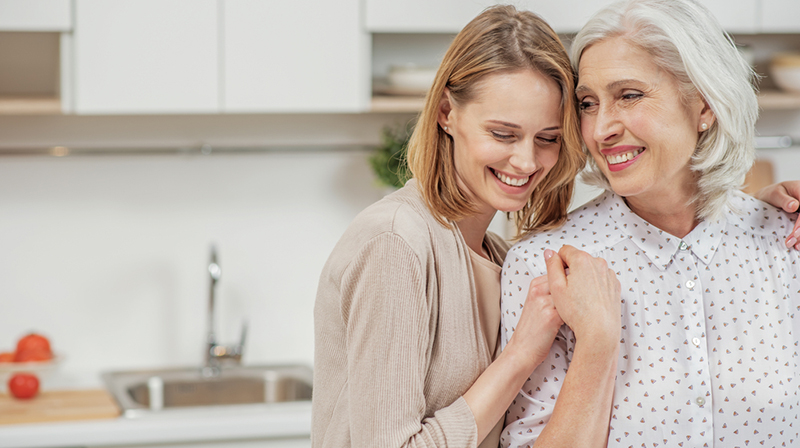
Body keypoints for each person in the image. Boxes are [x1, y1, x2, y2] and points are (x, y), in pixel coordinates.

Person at [313, 5, 623, 448]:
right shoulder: (396, 242)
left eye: (547, 139)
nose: (526, 161)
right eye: (502, 134)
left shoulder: (498, 255)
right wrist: (519, 355)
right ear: (446, 113)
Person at [500, 1, 800, 447]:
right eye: (588, 103)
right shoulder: (546, 268)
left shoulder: (784, 243)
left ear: (703, 104)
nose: (601, 129)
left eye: (629, 95)